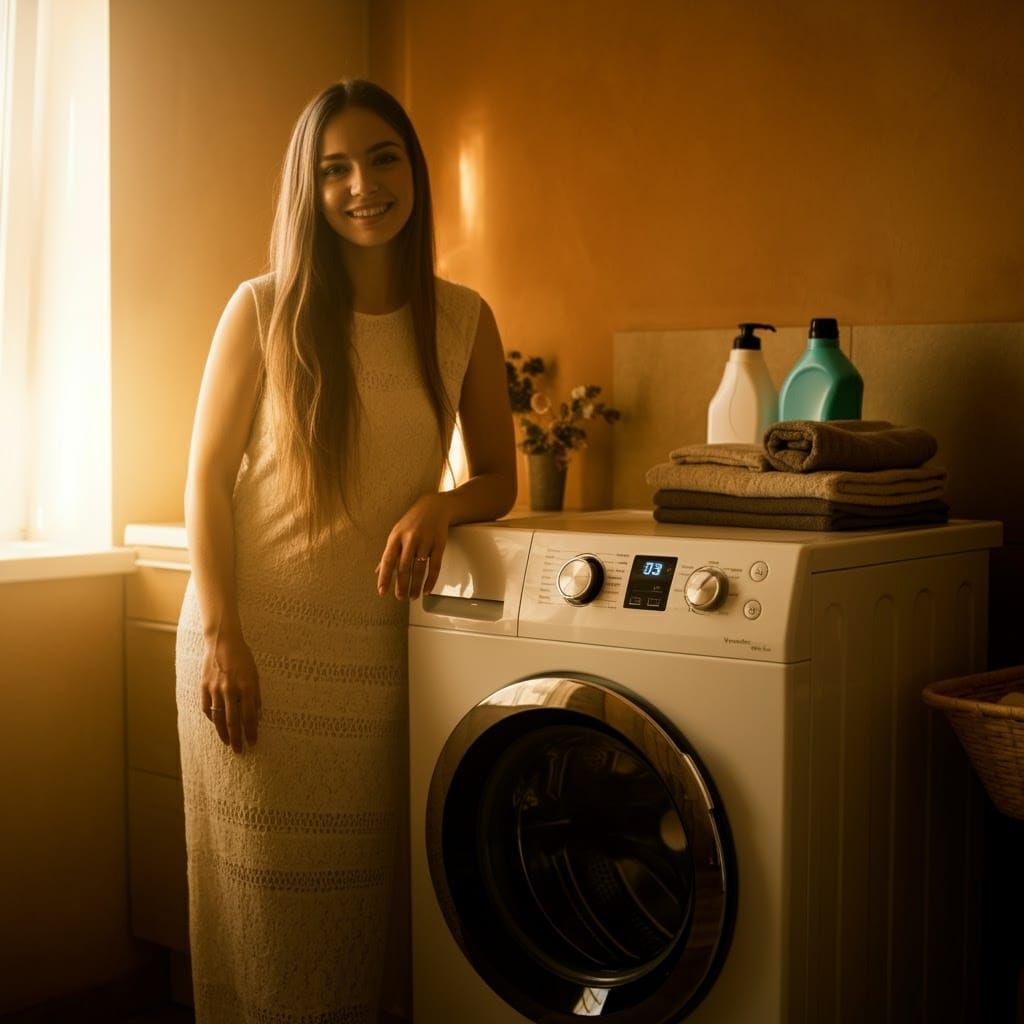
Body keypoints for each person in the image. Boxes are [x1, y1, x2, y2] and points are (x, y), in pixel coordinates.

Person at [174, 79, 516, 1024]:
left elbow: (499, 476)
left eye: (382, 159)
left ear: (414, 171)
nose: (362, 186)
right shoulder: (261, 309)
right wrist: (221, 636)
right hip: (254, 650)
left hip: (375, 659)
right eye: (334, 170)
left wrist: (442, 506)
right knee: (265, 917)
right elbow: (204, 478)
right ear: (309, 190)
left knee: (359, 914)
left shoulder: (464, 320)